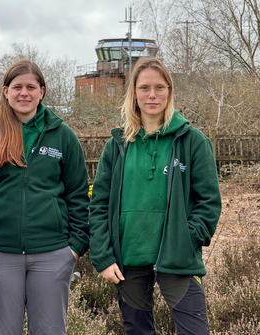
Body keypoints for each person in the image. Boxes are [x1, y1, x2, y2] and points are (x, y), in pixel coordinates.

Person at [89, 57, 222, 334]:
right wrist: (103, 256)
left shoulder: (193, 142)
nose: (152, 95)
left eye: (160, 87)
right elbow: (99, 205)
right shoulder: (117, 146)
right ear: (134, 93)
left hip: (178, 258)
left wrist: (186, 239)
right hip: (127, 260)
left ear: (170, 92)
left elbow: (209, 202)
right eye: (145, 87)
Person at [0, 60, 90, 335]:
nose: (24, 93)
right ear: (5, 91)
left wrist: (74, 247)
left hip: (53, 254)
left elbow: (78, 196)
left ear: (42, 91)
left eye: (31, 87)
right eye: (17, 87)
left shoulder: (63, 137)